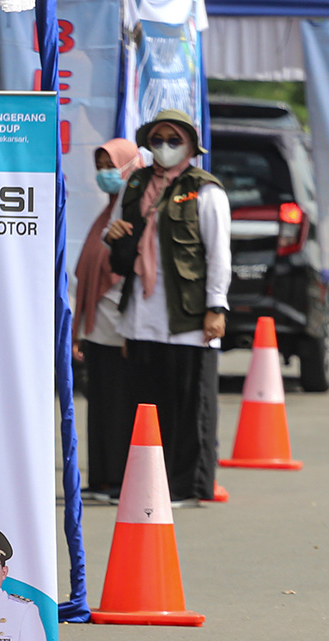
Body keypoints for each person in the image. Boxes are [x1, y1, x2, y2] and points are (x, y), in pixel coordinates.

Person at [105, 109, 231, 506]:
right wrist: (116, 235)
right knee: (146, 403)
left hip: (189, 314)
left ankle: (187, 485)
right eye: (157, 140)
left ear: (191, 146)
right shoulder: (137, 182)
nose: (164, 148)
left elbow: (218, 254)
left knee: (189, 402)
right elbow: (117, 229)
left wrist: (216, 307)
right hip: (141, 312)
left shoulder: (206, 190)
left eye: (173, 140)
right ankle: (146, 481)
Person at [73, 138, 142, 503]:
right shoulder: (109, 212)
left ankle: (118, 478)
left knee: (119, 406)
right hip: (100, 332)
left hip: (123, 331)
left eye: (111, 165)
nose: (105, 174)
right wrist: (81, 330)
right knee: (100, 405)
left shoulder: (136, 212)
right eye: (100, 165)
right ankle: (101, 478)